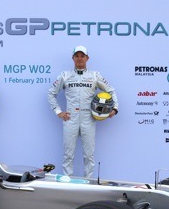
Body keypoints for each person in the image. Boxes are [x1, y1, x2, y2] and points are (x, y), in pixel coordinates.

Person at [47, 45, 119, 178]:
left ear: (87, 58)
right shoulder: (65, 75)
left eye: (82, 56)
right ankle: (67, 181)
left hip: (88, 118)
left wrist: (115, 109)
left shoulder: (95, 75)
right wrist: (58, 112)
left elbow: (111, 91)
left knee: (89, 155)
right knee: (68, 154)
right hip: (70, 118)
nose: (79, 59)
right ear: (73, 58)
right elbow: (51, 93)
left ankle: (88, 182)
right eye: (77, 56)